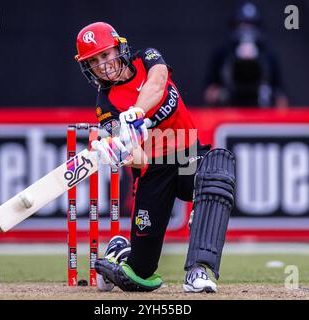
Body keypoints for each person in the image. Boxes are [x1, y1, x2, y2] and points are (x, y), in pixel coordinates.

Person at [74, 22, 236, 293]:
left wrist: (136, 112)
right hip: (153, 172)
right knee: (138, 275)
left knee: (217, 174)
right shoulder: (106, 105)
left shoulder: (146, 58)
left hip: (187, 155)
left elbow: (158, 82)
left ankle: (198, 270)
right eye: (93, 61)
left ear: (119, 47)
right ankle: (119, 254)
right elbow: (139, 159)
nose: (102, 65)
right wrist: (121, 152)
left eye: (105, 54)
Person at [204, 2, 288, 108]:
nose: (246, 30)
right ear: (234, 26)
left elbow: (282, 99)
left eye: (251, 26)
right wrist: (224, 94)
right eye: (242, 25)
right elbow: (208, 94)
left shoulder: (268, 56)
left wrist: (268, 95)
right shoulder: (222, 54)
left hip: (261, 114)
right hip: (229, 114)